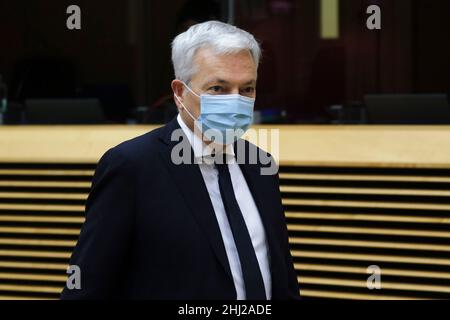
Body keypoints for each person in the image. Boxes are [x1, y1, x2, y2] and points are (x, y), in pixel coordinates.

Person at [60, 21, 300, 300]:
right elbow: (86, 289)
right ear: (179, 92)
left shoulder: (260, 164)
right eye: (218, 88)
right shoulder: (132, 166)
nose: (236, 101)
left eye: (247, 89)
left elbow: (282, 277)